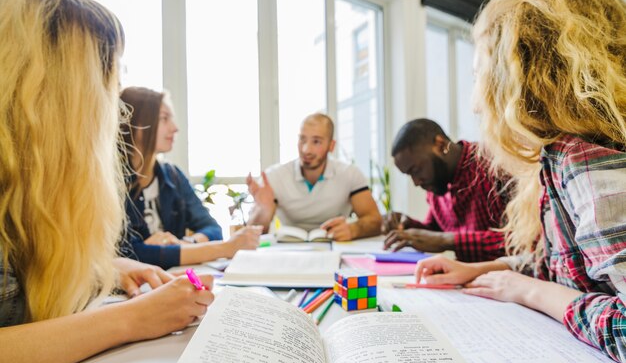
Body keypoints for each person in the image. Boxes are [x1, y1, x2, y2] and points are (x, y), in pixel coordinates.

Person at [0, 0, 213, 363]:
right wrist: (131, 319)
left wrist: (105, 268)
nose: (116, 103)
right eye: (108, 82)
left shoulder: (36, 186)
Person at [415, 0, 626, 363]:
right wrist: (479, 269)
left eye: (480, 75)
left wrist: (531, 292)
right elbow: (568, 268)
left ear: (522, 78)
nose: (477, 106)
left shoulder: (586, 162)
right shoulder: (557, 159)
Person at [119, 87, 261, 269]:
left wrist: (186, 243)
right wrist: (225, 248)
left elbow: (212, 229)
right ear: (136, 123)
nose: (175, 128)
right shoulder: (113, 183)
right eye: (164, 118)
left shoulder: (172, 175)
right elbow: (131, 254)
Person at [383, 118, 509, 262]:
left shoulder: (494, 166)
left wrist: (448, 240)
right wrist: (408, 228)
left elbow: (519, 243)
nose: (416, 182)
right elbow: (435, 233)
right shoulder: (438, 184)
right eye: (409, 174)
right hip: (468, 276)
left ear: (440, 145)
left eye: (416, 170)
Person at [246, 113, 382, 241]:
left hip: (336, 247)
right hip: (289, 249)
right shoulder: (274, 176)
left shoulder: (350, 174)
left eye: (316, 142)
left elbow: (374, 220)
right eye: (302, 139)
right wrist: (263, 209)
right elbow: (252, 234)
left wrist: (353, 229)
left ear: (331, 145)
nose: (306, 150)